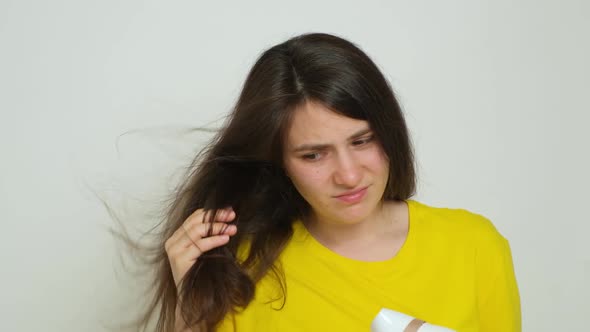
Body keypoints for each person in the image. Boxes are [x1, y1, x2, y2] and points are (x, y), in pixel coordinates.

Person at [140, 32, 521, 332]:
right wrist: (189, 315)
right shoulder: (243, 265)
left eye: (362, 141)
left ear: (389, 132)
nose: (349, 175)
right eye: (313, 155)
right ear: (279, 161)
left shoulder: (474, 245)